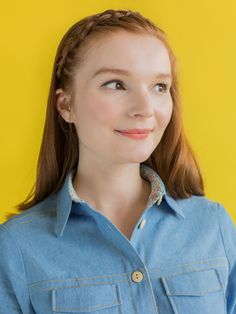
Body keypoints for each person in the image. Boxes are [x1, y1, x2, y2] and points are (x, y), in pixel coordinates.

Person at [0, 8, 235, 314]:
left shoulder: (213, 226)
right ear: (66, 105)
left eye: (159, 87)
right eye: (116, 84)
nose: (145, 108)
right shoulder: (17, 248)